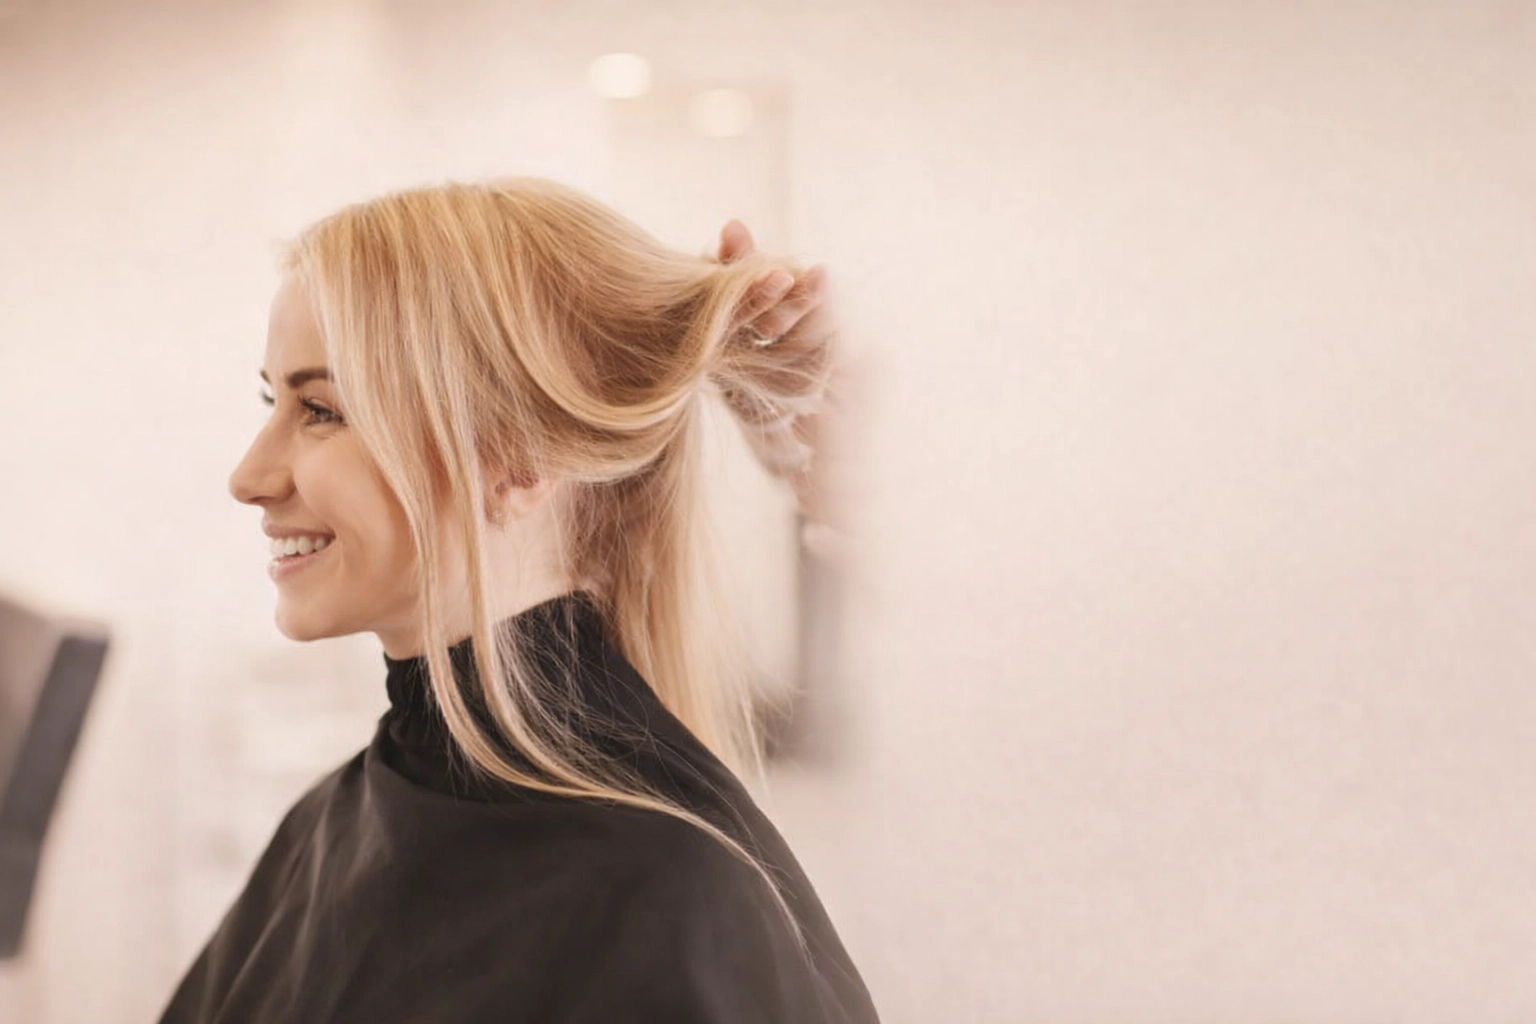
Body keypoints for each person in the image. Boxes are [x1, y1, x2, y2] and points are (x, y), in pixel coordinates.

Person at [155, 177, 880, 1023]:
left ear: (520, 463)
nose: (249, 477)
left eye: (320, 410)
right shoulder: (329, 830)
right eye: (271, 401)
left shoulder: (666, 894)